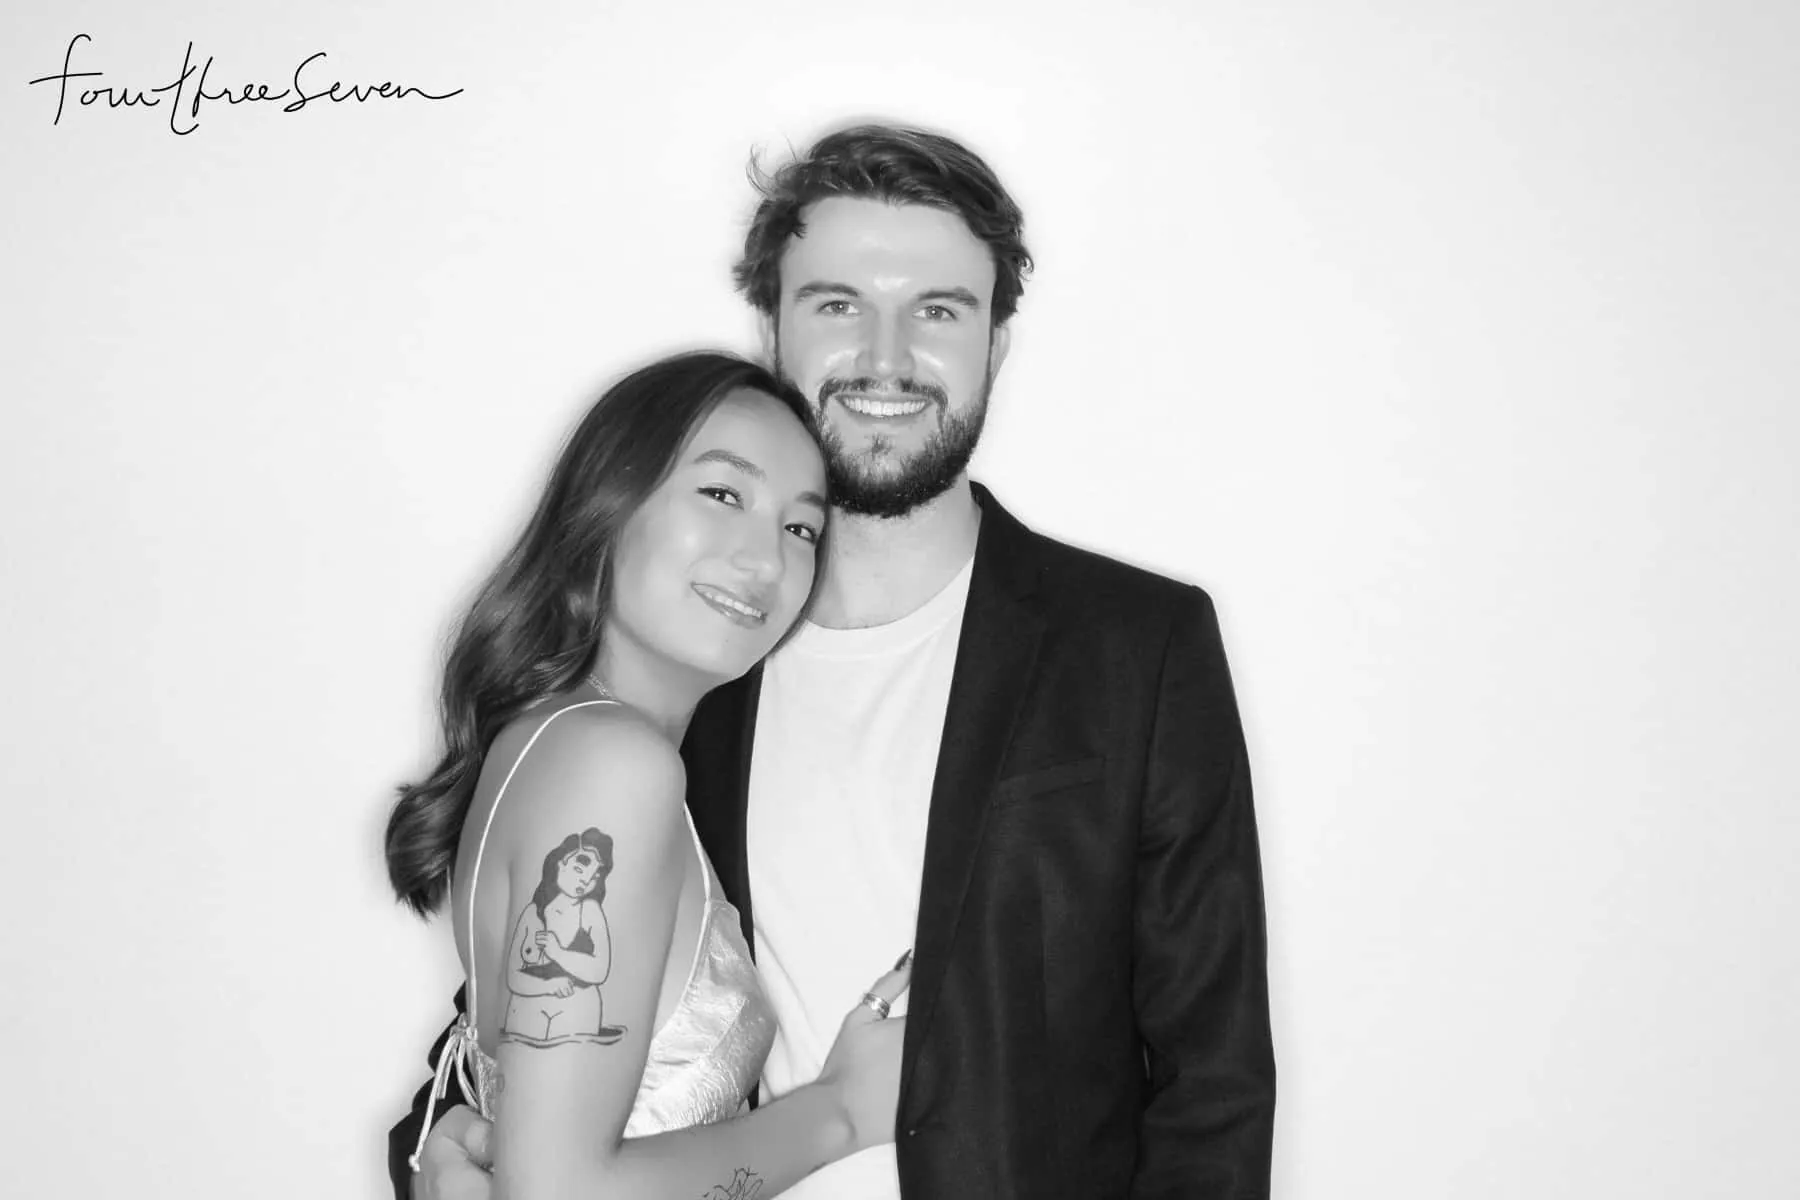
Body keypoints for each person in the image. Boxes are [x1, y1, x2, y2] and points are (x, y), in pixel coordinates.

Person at [393, 124, 1277, 1199]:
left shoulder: (1137, 646)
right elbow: (542, 1016)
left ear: (995, 344)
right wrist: (442, 1147)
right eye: (838, 302)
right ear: (774, 325)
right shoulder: (695, 666)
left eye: (938, 311)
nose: (887, 355)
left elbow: (1211, 1081)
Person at [383, 351, 913, 1199]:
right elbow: (555, 1192)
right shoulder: (613, 766)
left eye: (800, 528)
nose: (766, 560)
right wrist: (842, 1111)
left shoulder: (558, 742)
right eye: (722, 494)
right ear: (609, 504)